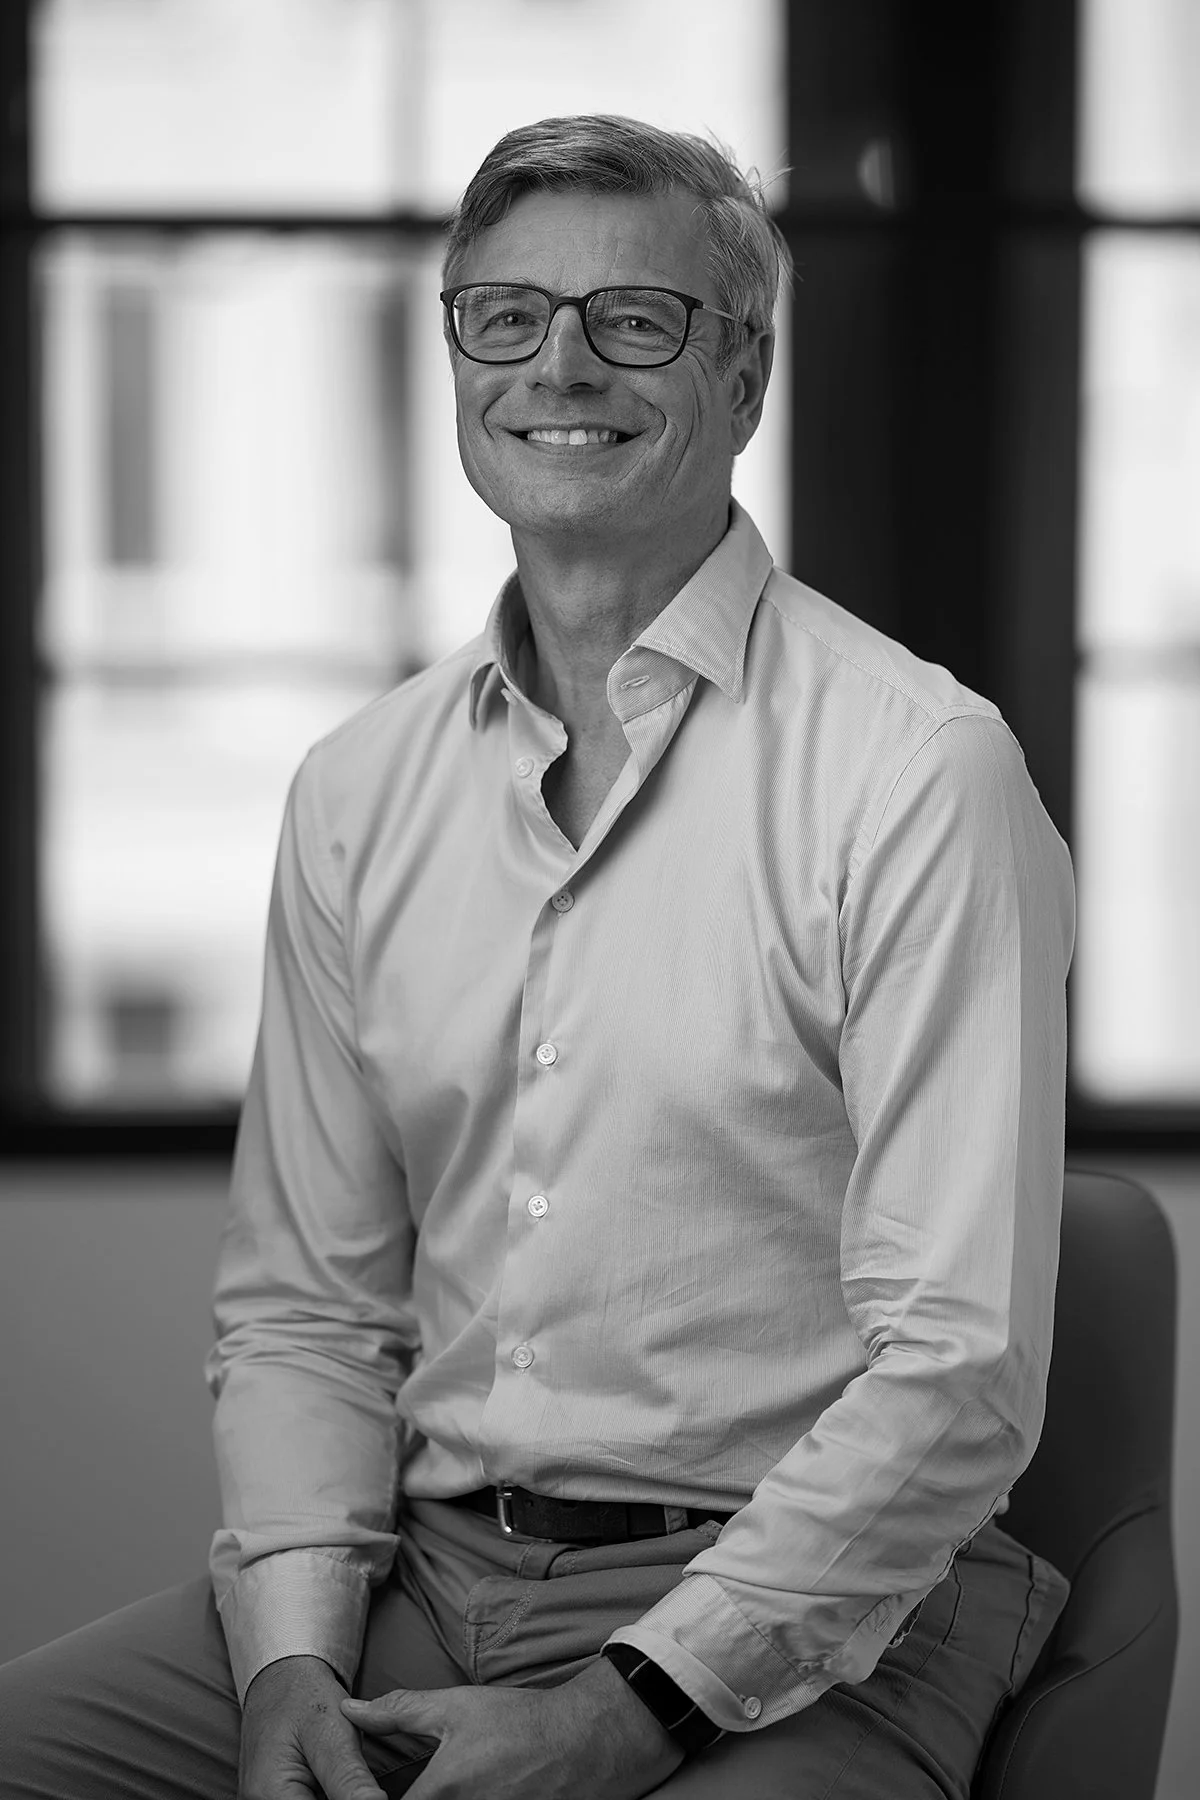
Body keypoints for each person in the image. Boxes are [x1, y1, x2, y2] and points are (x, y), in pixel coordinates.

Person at [0, 114, 1075, 1800]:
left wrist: (621, 1712)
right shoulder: (359, 788)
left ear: (743, 376)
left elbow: (959, 1368)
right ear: (458, 360)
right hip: (430, 1578)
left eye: (634, 320)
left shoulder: (919, 771)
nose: (557, 366)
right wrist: (292, 1661)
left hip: (810, 1596)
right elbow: (307, 1309)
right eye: (504, 316)